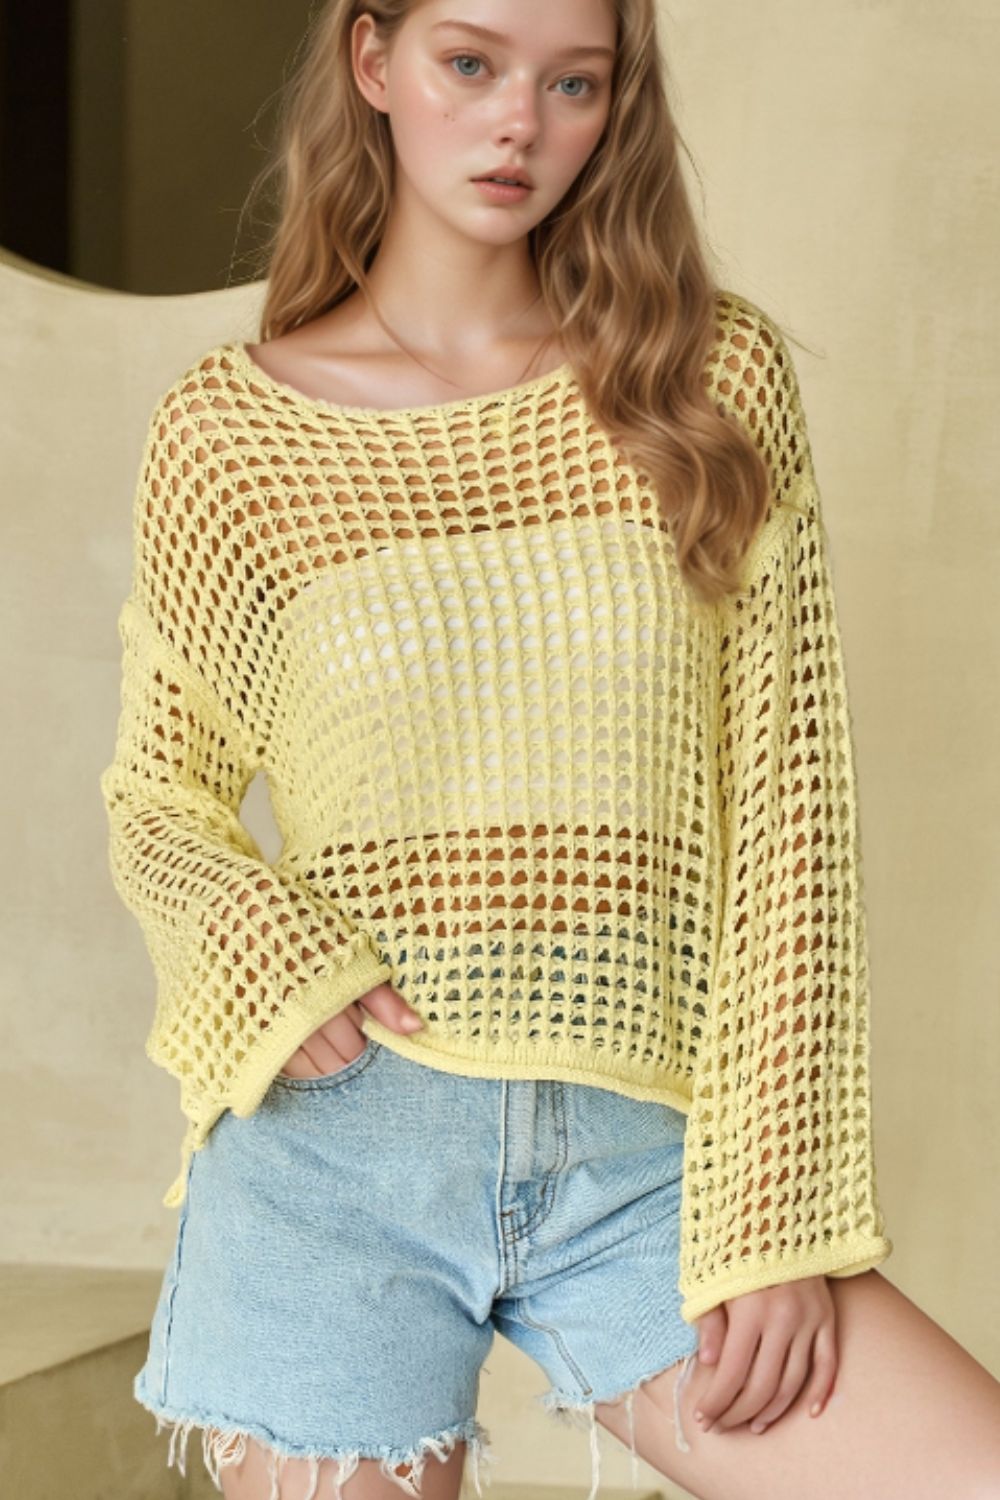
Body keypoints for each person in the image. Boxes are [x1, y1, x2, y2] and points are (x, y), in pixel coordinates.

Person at [98, 1, 1000, 1498]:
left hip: (649, 1155)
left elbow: (790, 817)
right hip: (335, 1156)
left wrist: (774, 1205)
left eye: (573, 83)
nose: (520, 123)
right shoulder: (233, 437)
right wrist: (267, 953)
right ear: (373, 62)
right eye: (471, 63)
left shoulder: (707, 383)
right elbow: (158, 794)